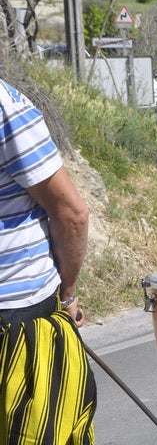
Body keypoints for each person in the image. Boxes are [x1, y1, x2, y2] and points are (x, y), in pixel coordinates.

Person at [0, 77, 95, 444]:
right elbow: (73, 214)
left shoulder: (6, 108)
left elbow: (70, 215)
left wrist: (66, 293)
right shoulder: (6, 106)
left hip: (16, 322)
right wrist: (68, 294)